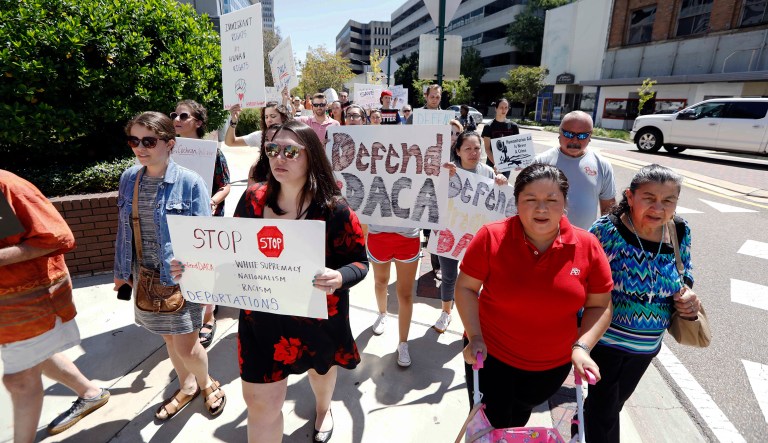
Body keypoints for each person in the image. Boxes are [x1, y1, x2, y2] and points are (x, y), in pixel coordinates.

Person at [218, 120, 368, 443]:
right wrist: (191, 268)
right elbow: (230, 251)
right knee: (261, 405)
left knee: (321, 372)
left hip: (316, 319)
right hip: (261, 321)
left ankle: (323, 409)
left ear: (311, 156)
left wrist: (340, 276)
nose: (278, 158)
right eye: (272, 149)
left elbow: (359, 262)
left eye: (290, 151)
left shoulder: (334, 208)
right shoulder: (252, 200)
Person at [455, 163, 613, 429]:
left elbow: (600, 304)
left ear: (564, 203)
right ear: (516, 202)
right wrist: (475, 336)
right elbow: (466, 287)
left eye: (552, 200)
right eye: (531, 200)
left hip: (551, 368)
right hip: (490, 357)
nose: (541, 209)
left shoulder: (587, 245)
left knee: (517, 418)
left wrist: (583, 347)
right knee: (490, 425)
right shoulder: (491, 236)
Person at [114, 111, 226, 421]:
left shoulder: (190, 182)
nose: (140, 147)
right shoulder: (128, 179)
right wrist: (122, 273)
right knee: (168, 339)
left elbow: (206, 236)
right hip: (144, 275)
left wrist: (204, 283)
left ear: (170, 143)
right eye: (134, 140)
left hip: (180, 277)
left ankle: (206, 384)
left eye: (149, 141)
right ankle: (186, 386)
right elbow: (124, 230)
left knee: (188, 346)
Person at [585, 164, 699, 443]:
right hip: (606, 340)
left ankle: (582, 421)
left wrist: (687, 296)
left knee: (615, 403)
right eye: (649, 197)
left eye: (668, 200)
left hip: (647, 344)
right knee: (604, 410)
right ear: (630, 196)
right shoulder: (606, 231)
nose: (658, 207)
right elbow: (582, 279)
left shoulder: (679, 230)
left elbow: (685, 273)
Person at [1, 170, 110, 440]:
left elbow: (58, 238)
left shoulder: (6, 186)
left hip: (26, 304)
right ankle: (90, 393)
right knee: (37, 355)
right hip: (11, 307)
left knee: (19, 380)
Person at [435, 131, 507, 333]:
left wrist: (501, 182)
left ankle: (475, 316)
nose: (474, 153)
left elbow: (500, 203)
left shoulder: (488, 173)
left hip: (478, 237)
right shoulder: (448, 170)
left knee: (479, 278)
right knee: (449, 276)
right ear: (457, 151)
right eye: (468, 148)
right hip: (450, 233)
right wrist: (441, 177)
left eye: (477, 148)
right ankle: (446, 312)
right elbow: (432, 197)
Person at [172, 99, 230, 348]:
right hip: (177, 220)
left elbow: (225, 185)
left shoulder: (212, 151)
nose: (176, 119)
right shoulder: (167, 149)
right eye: (174, 114)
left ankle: (208, 316)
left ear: (197, 122)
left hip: (207, 219)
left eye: (183, 116)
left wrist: (213, 201)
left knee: (205, 267)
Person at [535, 110, 616, 230]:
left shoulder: (603, 165)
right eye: (568, 134)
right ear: (560, 132)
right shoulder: (540, 162)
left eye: (582, 136)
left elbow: (608, 209)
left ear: (590, 136)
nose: (574, 140)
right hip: (544, 240)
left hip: (583, 242)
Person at [482, 98, 519, 178]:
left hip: (507, 165)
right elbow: (487, 149)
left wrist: (518, 162)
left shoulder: (514, 126)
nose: (504, 110)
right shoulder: (488, 126)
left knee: (502, 189)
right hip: (492, 164)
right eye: (501, 107)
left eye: (506, 107)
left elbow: (516, 147)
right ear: (496, 109)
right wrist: (497, 164)